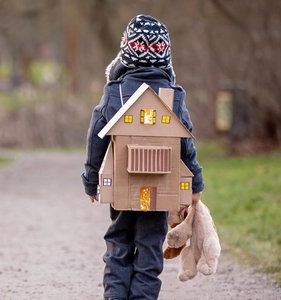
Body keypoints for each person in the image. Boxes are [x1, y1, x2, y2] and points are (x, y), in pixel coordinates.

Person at [81, 15, 205, 300]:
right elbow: (187, 143)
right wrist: (195, 183)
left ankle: (115, 295)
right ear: (166, 58)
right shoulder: (172, 96)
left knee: (119, 240)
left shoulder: (115, 93)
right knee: (150, 246)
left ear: (125, 53)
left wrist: (92, 181)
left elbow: (95, 138)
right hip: (159, 190)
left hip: (124, 188)